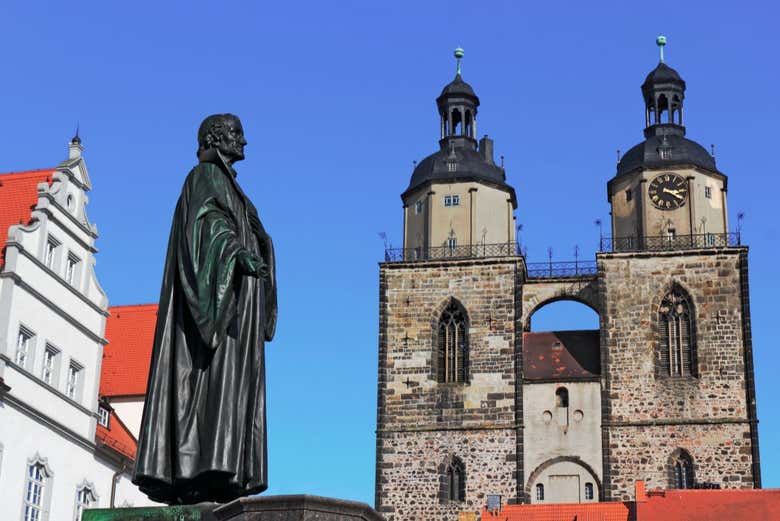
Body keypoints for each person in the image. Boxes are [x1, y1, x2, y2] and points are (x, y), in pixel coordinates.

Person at [132, 114, 277, 504]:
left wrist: (260, 249)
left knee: (231, 386)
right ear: (216, 138)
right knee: (211, 384)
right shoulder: (204, 177)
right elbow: (204, 228)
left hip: (236, 308)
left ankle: (221, 471)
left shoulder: (230, 184)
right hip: (215, 311)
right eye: (236, 134)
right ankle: (199, 469)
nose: (244, 141)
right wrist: (236, 254)